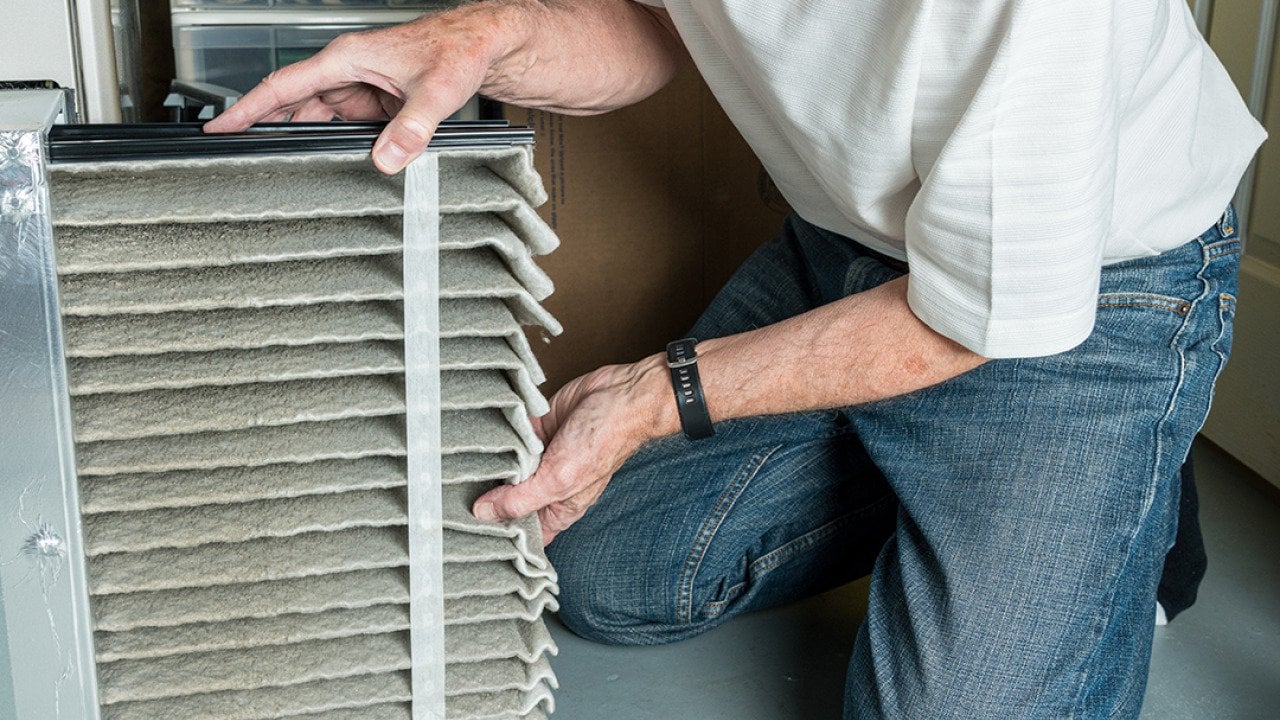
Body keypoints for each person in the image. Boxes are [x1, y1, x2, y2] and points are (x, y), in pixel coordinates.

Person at [206, 1, 1265, 717]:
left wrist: (648, 397)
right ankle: (971, 492)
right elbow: (662, 24)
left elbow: (972, 312)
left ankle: (1125, 482)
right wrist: (487, 38)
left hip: (1077, 291)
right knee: (599, 571)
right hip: (845, 250)